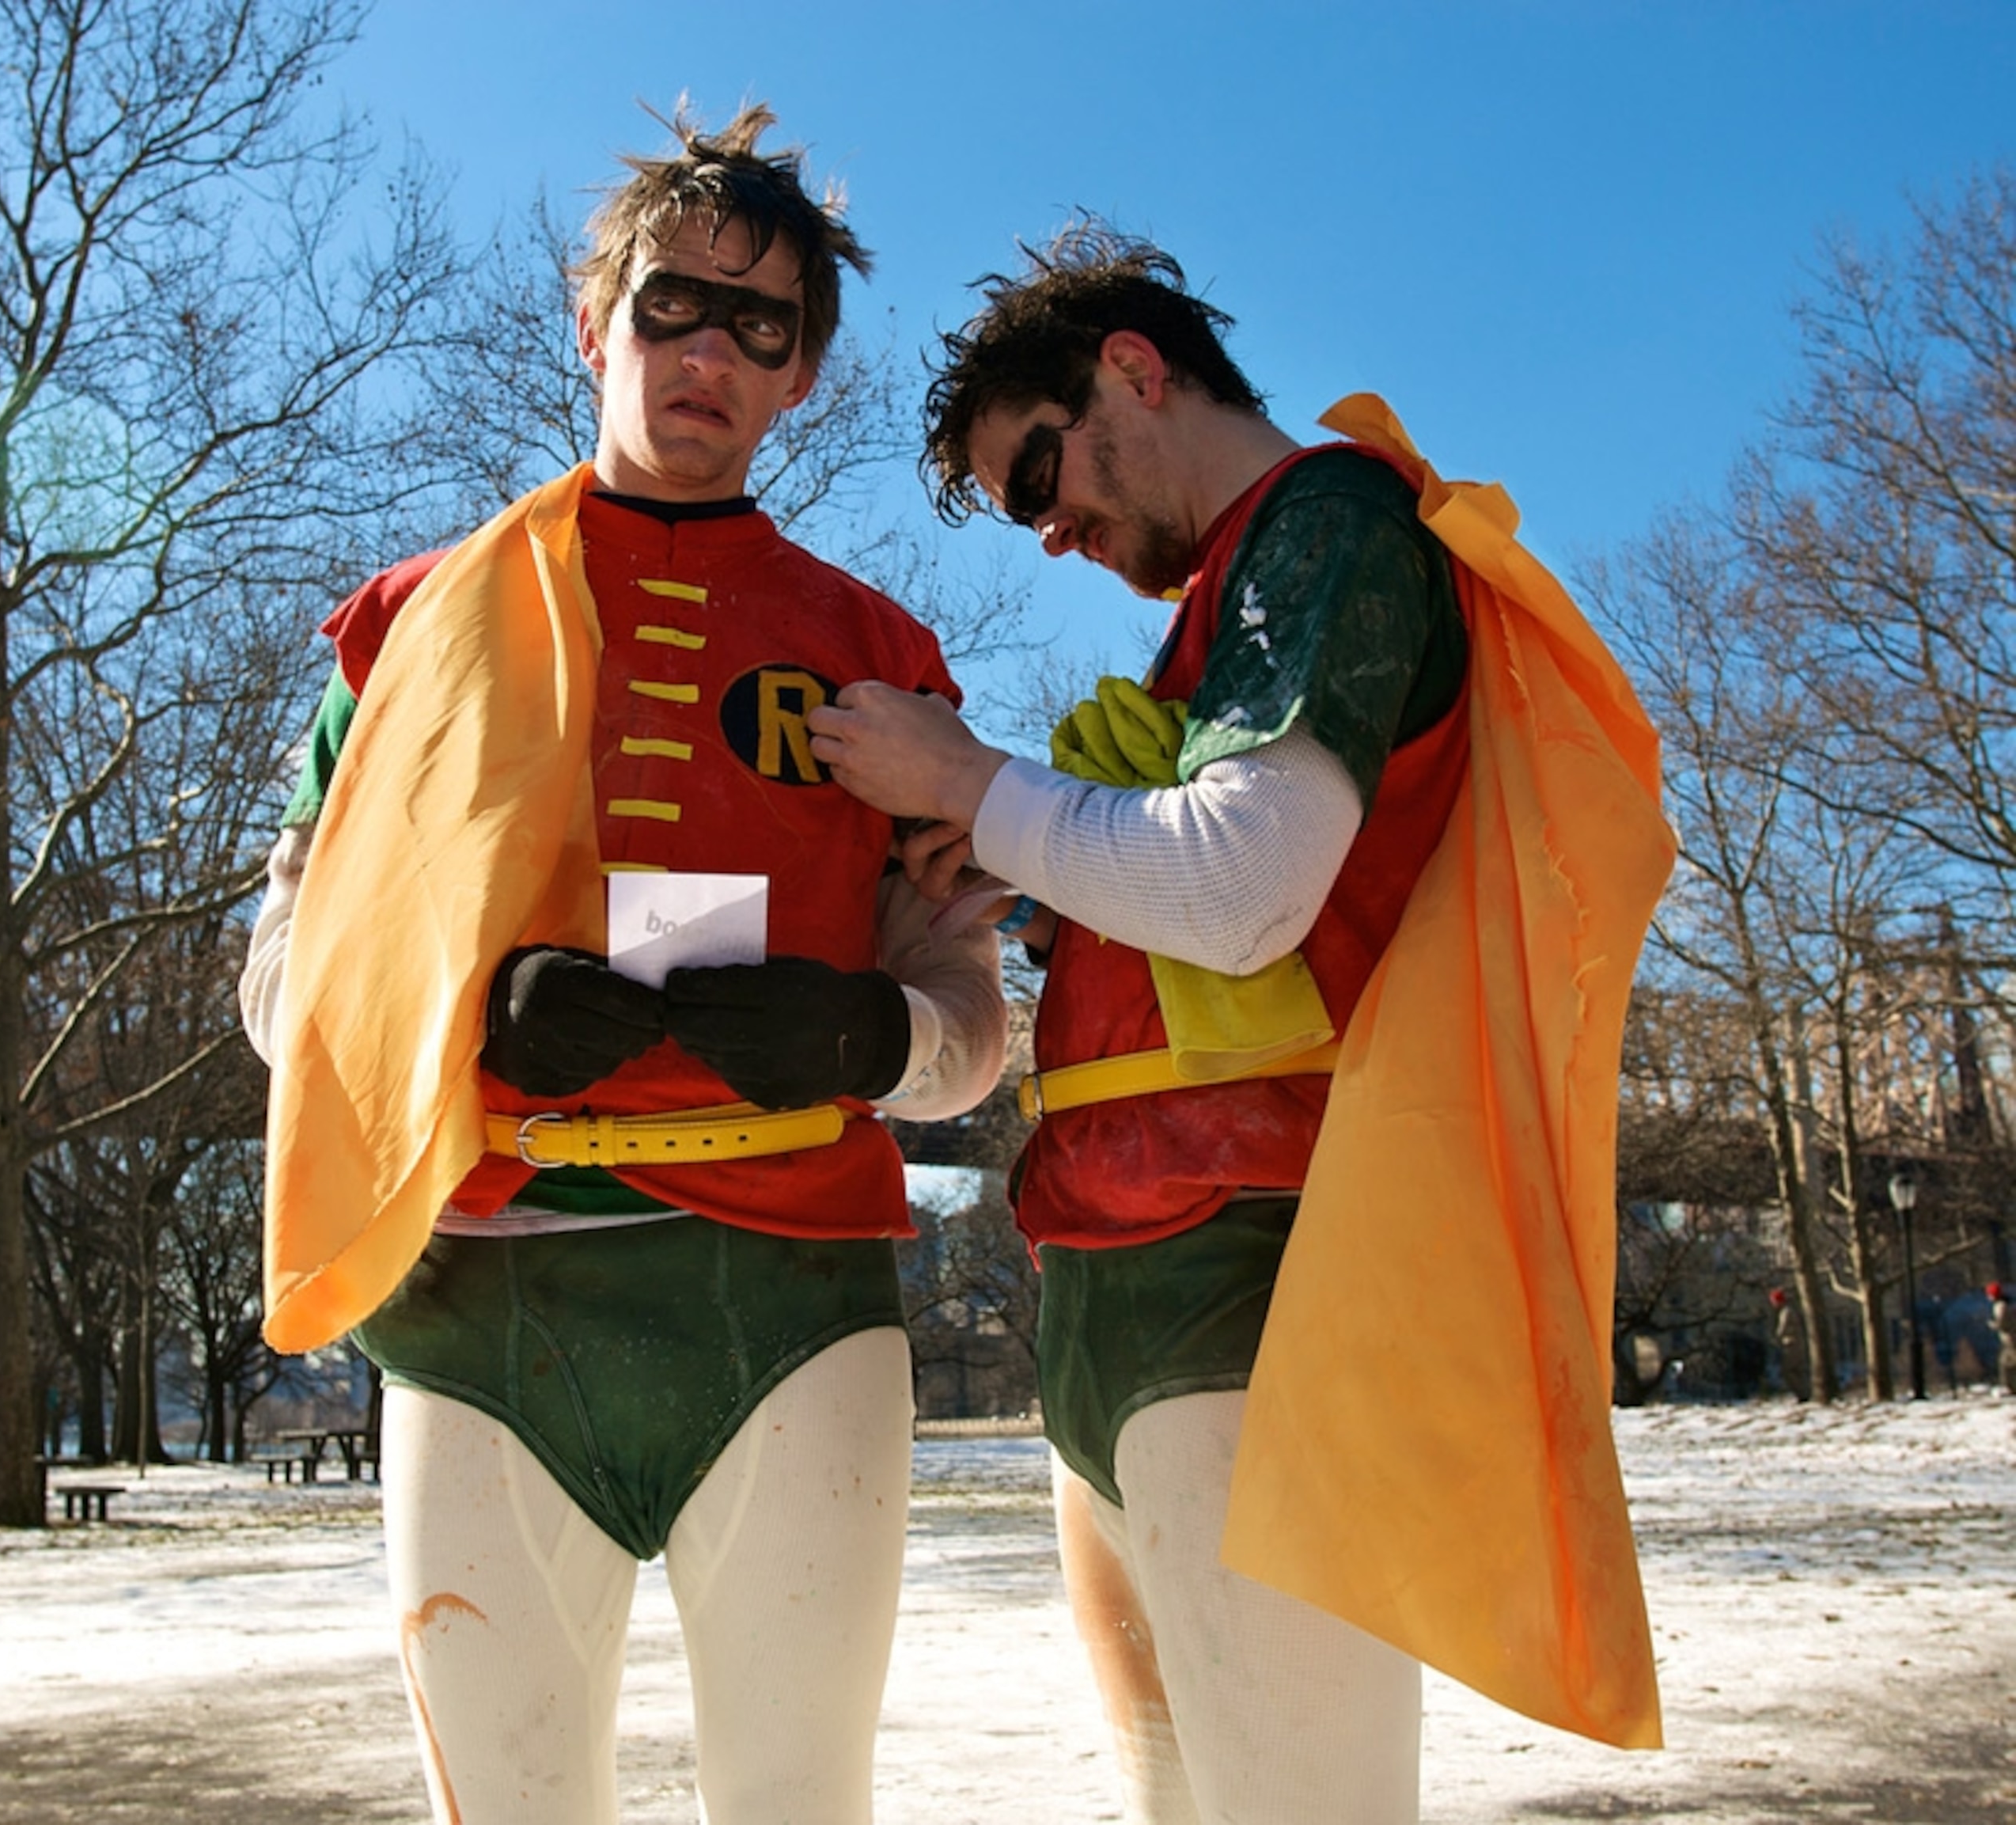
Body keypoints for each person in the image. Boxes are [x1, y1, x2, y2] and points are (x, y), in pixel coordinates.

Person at [807, 227, 1668, 1819]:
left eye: (1040, 470)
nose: (1049, 530)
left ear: (1135, 366)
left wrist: (971, 791)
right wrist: (1016, 870)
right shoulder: (1235, 598)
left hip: (1256, 1281)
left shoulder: (1328, 521)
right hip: (1131, 1284)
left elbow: (1247, 889)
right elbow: (1218, 933)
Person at [241, 106, 1005, 1824]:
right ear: (596, 323)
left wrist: (871, 1031)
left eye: (765, 327)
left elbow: (974, 1031)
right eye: (676, 304)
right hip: (483, 1308)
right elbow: (280, 983)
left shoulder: (884, 658)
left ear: (804, 375)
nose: (712, 353)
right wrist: (453, 1018)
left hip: (792, 1309)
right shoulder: (407, 628)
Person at [1990, 1281, 2016, 1394]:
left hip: (2010, 1339)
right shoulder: (2009, 1303)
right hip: (2011, 1338)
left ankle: (2010, 1387)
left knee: (2006, 1364)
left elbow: (2003, 1323)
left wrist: (1993, 1325)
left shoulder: (2000, 1306)